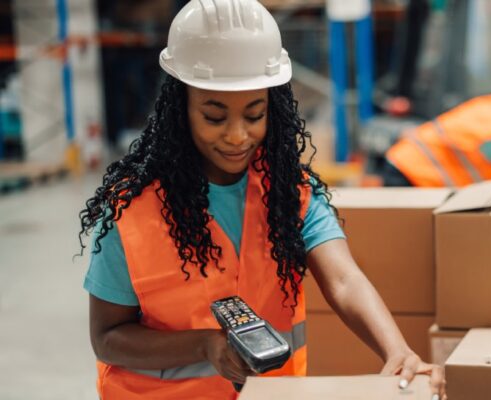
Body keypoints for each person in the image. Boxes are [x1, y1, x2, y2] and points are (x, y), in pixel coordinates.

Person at [77, 1, 445, 399]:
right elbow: (107, 337)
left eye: (254, 115)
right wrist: (203, 344)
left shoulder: (288, 193)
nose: (237, 136)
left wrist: (398, 350)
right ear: (180, 109)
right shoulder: (130, 212)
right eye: (215, 117)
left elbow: (344, 279)